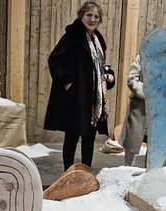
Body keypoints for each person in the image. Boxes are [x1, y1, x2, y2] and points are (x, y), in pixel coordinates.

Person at [44, 1, 115, 171]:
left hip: (93, 97)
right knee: (73, 134)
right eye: (89, 15)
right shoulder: (73, 35)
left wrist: (108, 73)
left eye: (96, 16)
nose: (92, 19)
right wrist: (67, 81)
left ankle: (86, 171)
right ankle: (68, 172)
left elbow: (98, 64)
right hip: (77, 95)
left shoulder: (97, 39)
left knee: (89, 135)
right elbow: (55, 59)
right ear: (81, 15)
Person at [119, 54, 145, 166]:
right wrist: (149, 92)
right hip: (139, 105)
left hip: (159, 108)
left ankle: (150, 174)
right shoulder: (143, 56)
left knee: (155, 146)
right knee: (132, 142)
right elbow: (132, 79)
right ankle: (128, 170)